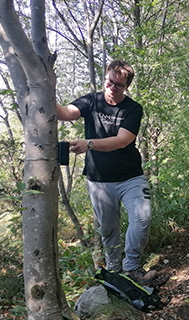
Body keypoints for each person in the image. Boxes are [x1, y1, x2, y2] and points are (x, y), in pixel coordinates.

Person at [56, 60, 157, 284]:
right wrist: (45, 94)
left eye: (118, 85)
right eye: (109, 81)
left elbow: (122, 140)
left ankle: (132, 266)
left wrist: (89, 143)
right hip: (99, 180)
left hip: (131, 176)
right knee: (108, 228)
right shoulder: (91, 101)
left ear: (126, 87)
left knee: (142, 218)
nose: (111, 87)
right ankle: (113, 270)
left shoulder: (133, 109)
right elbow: (67, 112)